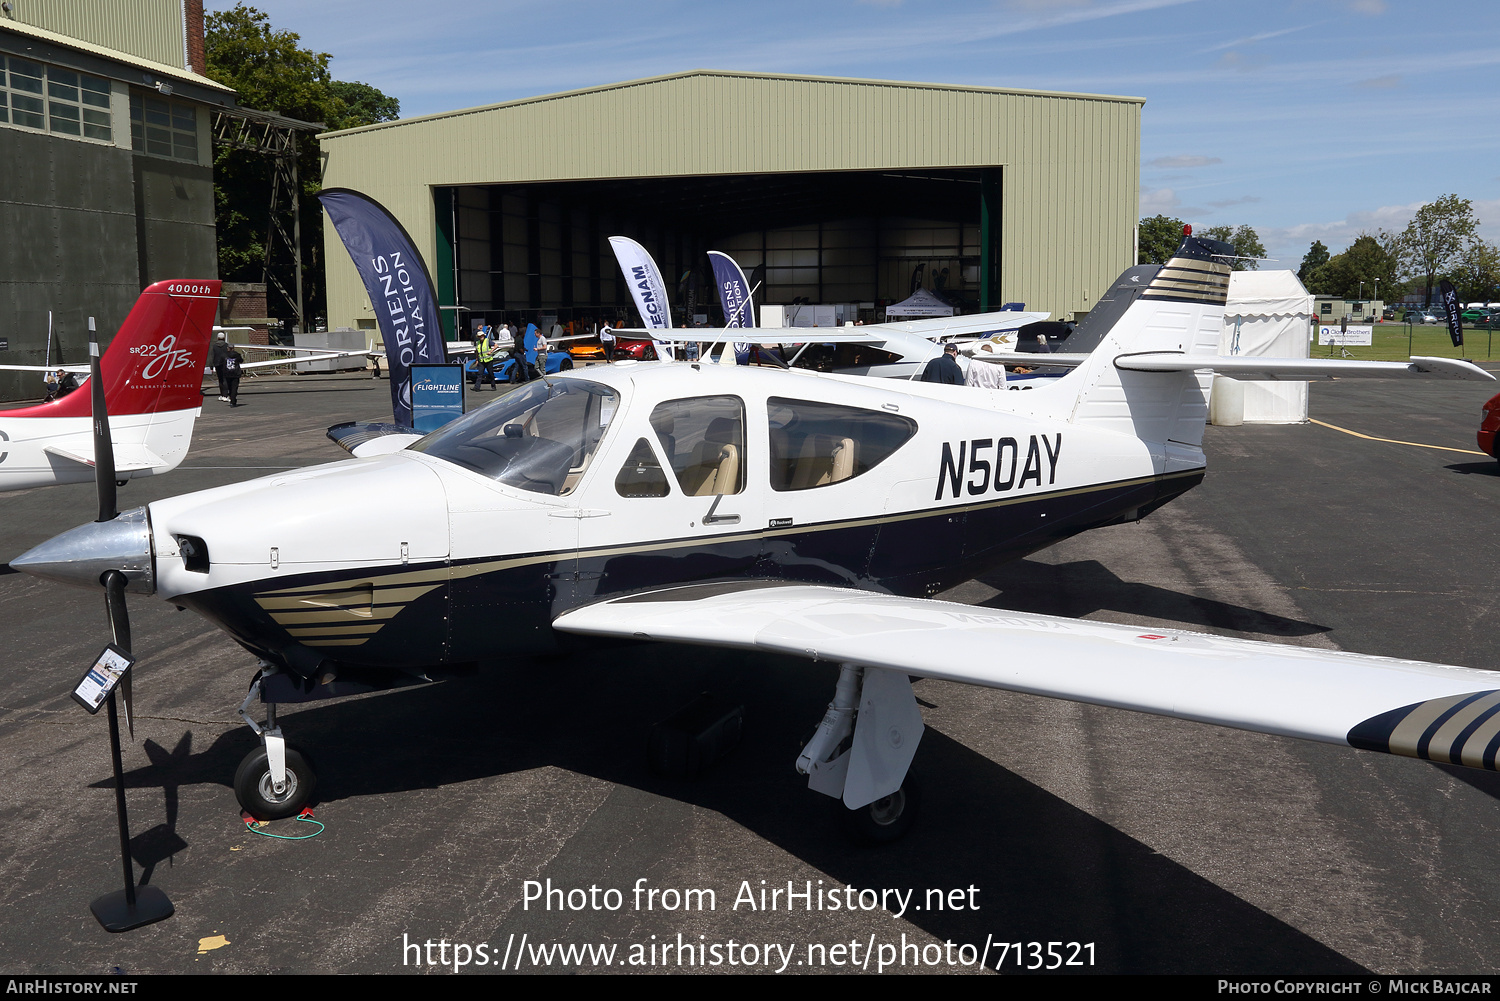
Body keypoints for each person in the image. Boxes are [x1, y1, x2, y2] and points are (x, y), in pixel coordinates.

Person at [210, 330, 231, 401]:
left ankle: (222, 394)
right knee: (225, 379)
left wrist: (211, 366)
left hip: (217, 364)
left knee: (220, 379)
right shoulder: (226, 345)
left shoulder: (214, 346)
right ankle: (226, 395)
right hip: (225, 364)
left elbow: (212, 356)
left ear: (217, 338)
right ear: (224, 338)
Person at [472, 326, 495, 391]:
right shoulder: (478, 343)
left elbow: (496, 345)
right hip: (481, 361)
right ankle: (477, 387)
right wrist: (477, 360)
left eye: (482, 336)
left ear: (483, 336)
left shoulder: (487, 341)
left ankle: (493, 386)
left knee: (491, 374)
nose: (481, 337)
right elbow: (477, 352)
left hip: (489, 360)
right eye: (480, 336)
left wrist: (491, 351)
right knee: (480, 374)